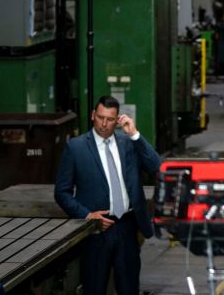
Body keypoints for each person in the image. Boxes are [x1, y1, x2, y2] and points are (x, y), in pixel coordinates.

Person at [54, 95, 161, 295]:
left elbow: (155, 166)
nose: (104, 124)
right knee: (94, 288)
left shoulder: (128, 143)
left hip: (128, 227)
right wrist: (87, 216)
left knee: (129, 289)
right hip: (96, 231)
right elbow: (61, 192)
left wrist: (135, 134)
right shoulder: (75, 148)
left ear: (117, 119)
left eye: (110, 119)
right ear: (93, 115)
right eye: (100, 117)